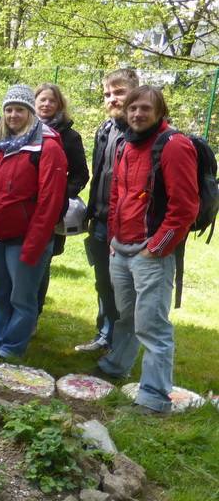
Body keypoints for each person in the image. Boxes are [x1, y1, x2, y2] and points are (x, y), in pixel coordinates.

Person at [96, 86, 199, 415]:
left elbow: (185, 208)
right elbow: (117, 194)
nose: (137, 114)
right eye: (132, 108)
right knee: (126, 316)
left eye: (145, 109)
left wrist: (155, 249)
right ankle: (116, 366)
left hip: (150, 251)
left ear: (160, 112)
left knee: (153, 326)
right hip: (121, 248)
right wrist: (113, 239)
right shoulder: (126, 142)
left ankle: (154, 399)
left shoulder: (173, 146)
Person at [0, 85, 68, 358]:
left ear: (30, 113)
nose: (13, 115)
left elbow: (50, 202)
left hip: (25, 238)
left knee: (22, 298)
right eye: (9, 109)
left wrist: (35, 244)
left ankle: (11, 348)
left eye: (19, 110)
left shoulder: (48, 148)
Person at [77, 68, 139, 352]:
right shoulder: (105, 129)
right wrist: (90, 214)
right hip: (101, 221)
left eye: (119, 92)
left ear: (135, 92)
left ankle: (121, 349)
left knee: (124, 291)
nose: (112, 99)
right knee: (103, 283)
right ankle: (104, 335)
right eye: (107, 94)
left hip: (130, 229)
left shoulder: (143, 132)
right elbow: (99, 174)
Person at [34, 82, 90, 312]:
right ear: (34, 102)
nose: (46, 104)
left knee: (41, 265)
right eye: (42, 99)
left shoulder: (69, 136)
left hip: (49, 213)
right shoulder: (20, 128)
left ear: (59, 105)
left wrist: (58, 195)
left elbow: (81, 174)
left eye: (52, 100)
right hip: (20, 208)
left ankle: (33, 314)